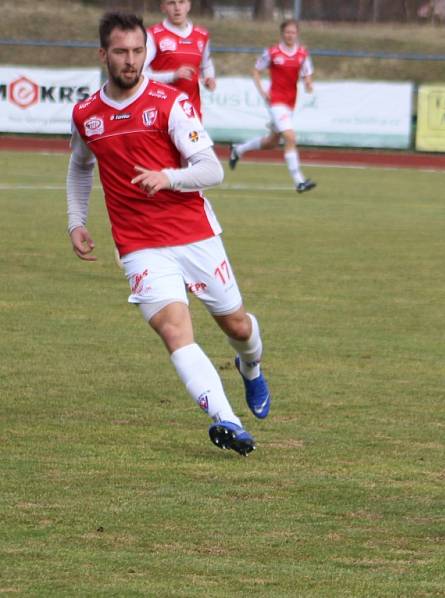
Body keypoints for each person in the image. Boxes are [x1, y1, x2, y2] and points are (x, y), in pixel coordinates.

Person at [67, 12, 271, 457]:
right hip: (139, 246)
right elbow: (81, 167)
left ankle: (251, 368)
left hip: (194, 233)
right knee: (175, 331)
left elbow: (211, 168)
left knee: (236, 325)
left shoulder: (170, 103)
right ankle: (228, 420)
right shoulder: (86, 114)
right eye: (121, 51)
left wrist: (169, 177)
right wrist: (76, 220)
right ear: (103, 54)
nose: (131, 60)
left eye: (138, 51)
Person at [229, 19, 316, 193]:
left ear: (297, 34)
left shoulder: (302, 53)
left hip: (290, 102)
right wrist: (263, 91)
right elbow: (255, 70)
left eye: (293, 32)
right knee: (290, 137)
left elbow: (307, 74)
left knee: (271, 142)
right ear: (282, 33)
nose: (290, 35)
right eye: (287, 32)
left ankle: (238, 149)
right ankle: (299, 181)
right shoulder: (272, 52)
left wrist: (308, 83)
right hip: (275, 101)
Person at [144, 0, 216, 120]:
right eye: (171, 3)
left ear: (189, 5)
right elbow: (140, 74)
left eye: (181, 2)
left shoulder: (201, 35)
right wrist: (172, 76)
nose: (177, 7)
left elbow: (206, 64)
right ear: (163, 7)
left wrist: (209, 77)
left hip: (192, 111)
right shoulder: (152, 35)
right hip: (161, 110)